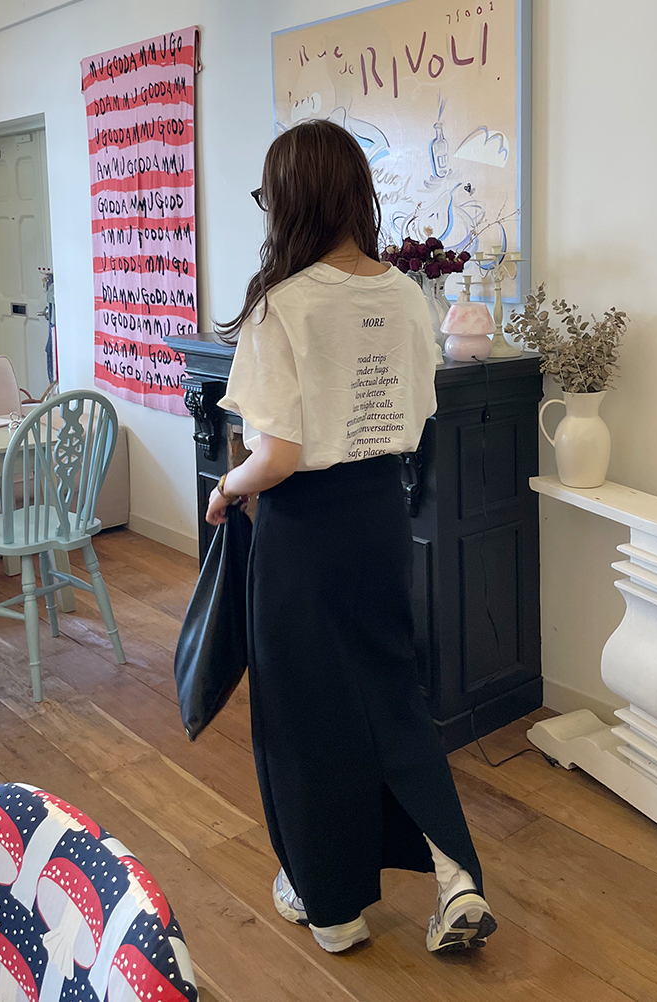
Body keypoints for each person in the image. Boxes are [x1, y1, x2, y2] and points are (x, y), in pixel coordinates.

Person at [205, 119, 496, 955]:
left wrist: (225, 489)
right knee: (392, 697)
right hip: (380, 523)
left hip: (304, 535)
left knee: (305, 716)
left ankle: (330, 906)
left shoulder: (282, 305)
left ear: (292, 199)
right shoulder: (408, 296)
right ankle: (455, 874)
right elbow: (421, 416)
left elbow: (276, 457)